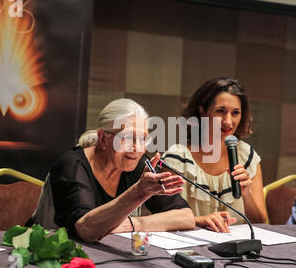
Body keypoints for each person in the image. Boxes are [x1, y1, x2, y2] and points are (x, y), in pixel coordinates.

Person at [30, 99, 195, 242]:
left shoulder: (138, 163)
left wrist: (132, 224)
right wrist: (139, 192)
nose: (137, 148)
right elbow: (86, 230)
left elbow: (185, 216)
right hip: (54, 258)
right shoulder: (72, 166)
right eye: (127, 138)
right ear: (103, 138)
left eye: (143, 138)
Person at [162, 77, 267, 232]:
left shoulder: (247, 157)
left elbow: (259, 222)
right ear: (202, 110)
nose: (228, 122)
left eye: (235, 113)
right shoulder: (177, 159)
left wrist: (247, 195)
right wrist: (198, 221)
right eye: (220, 111)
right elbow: (161, 218)